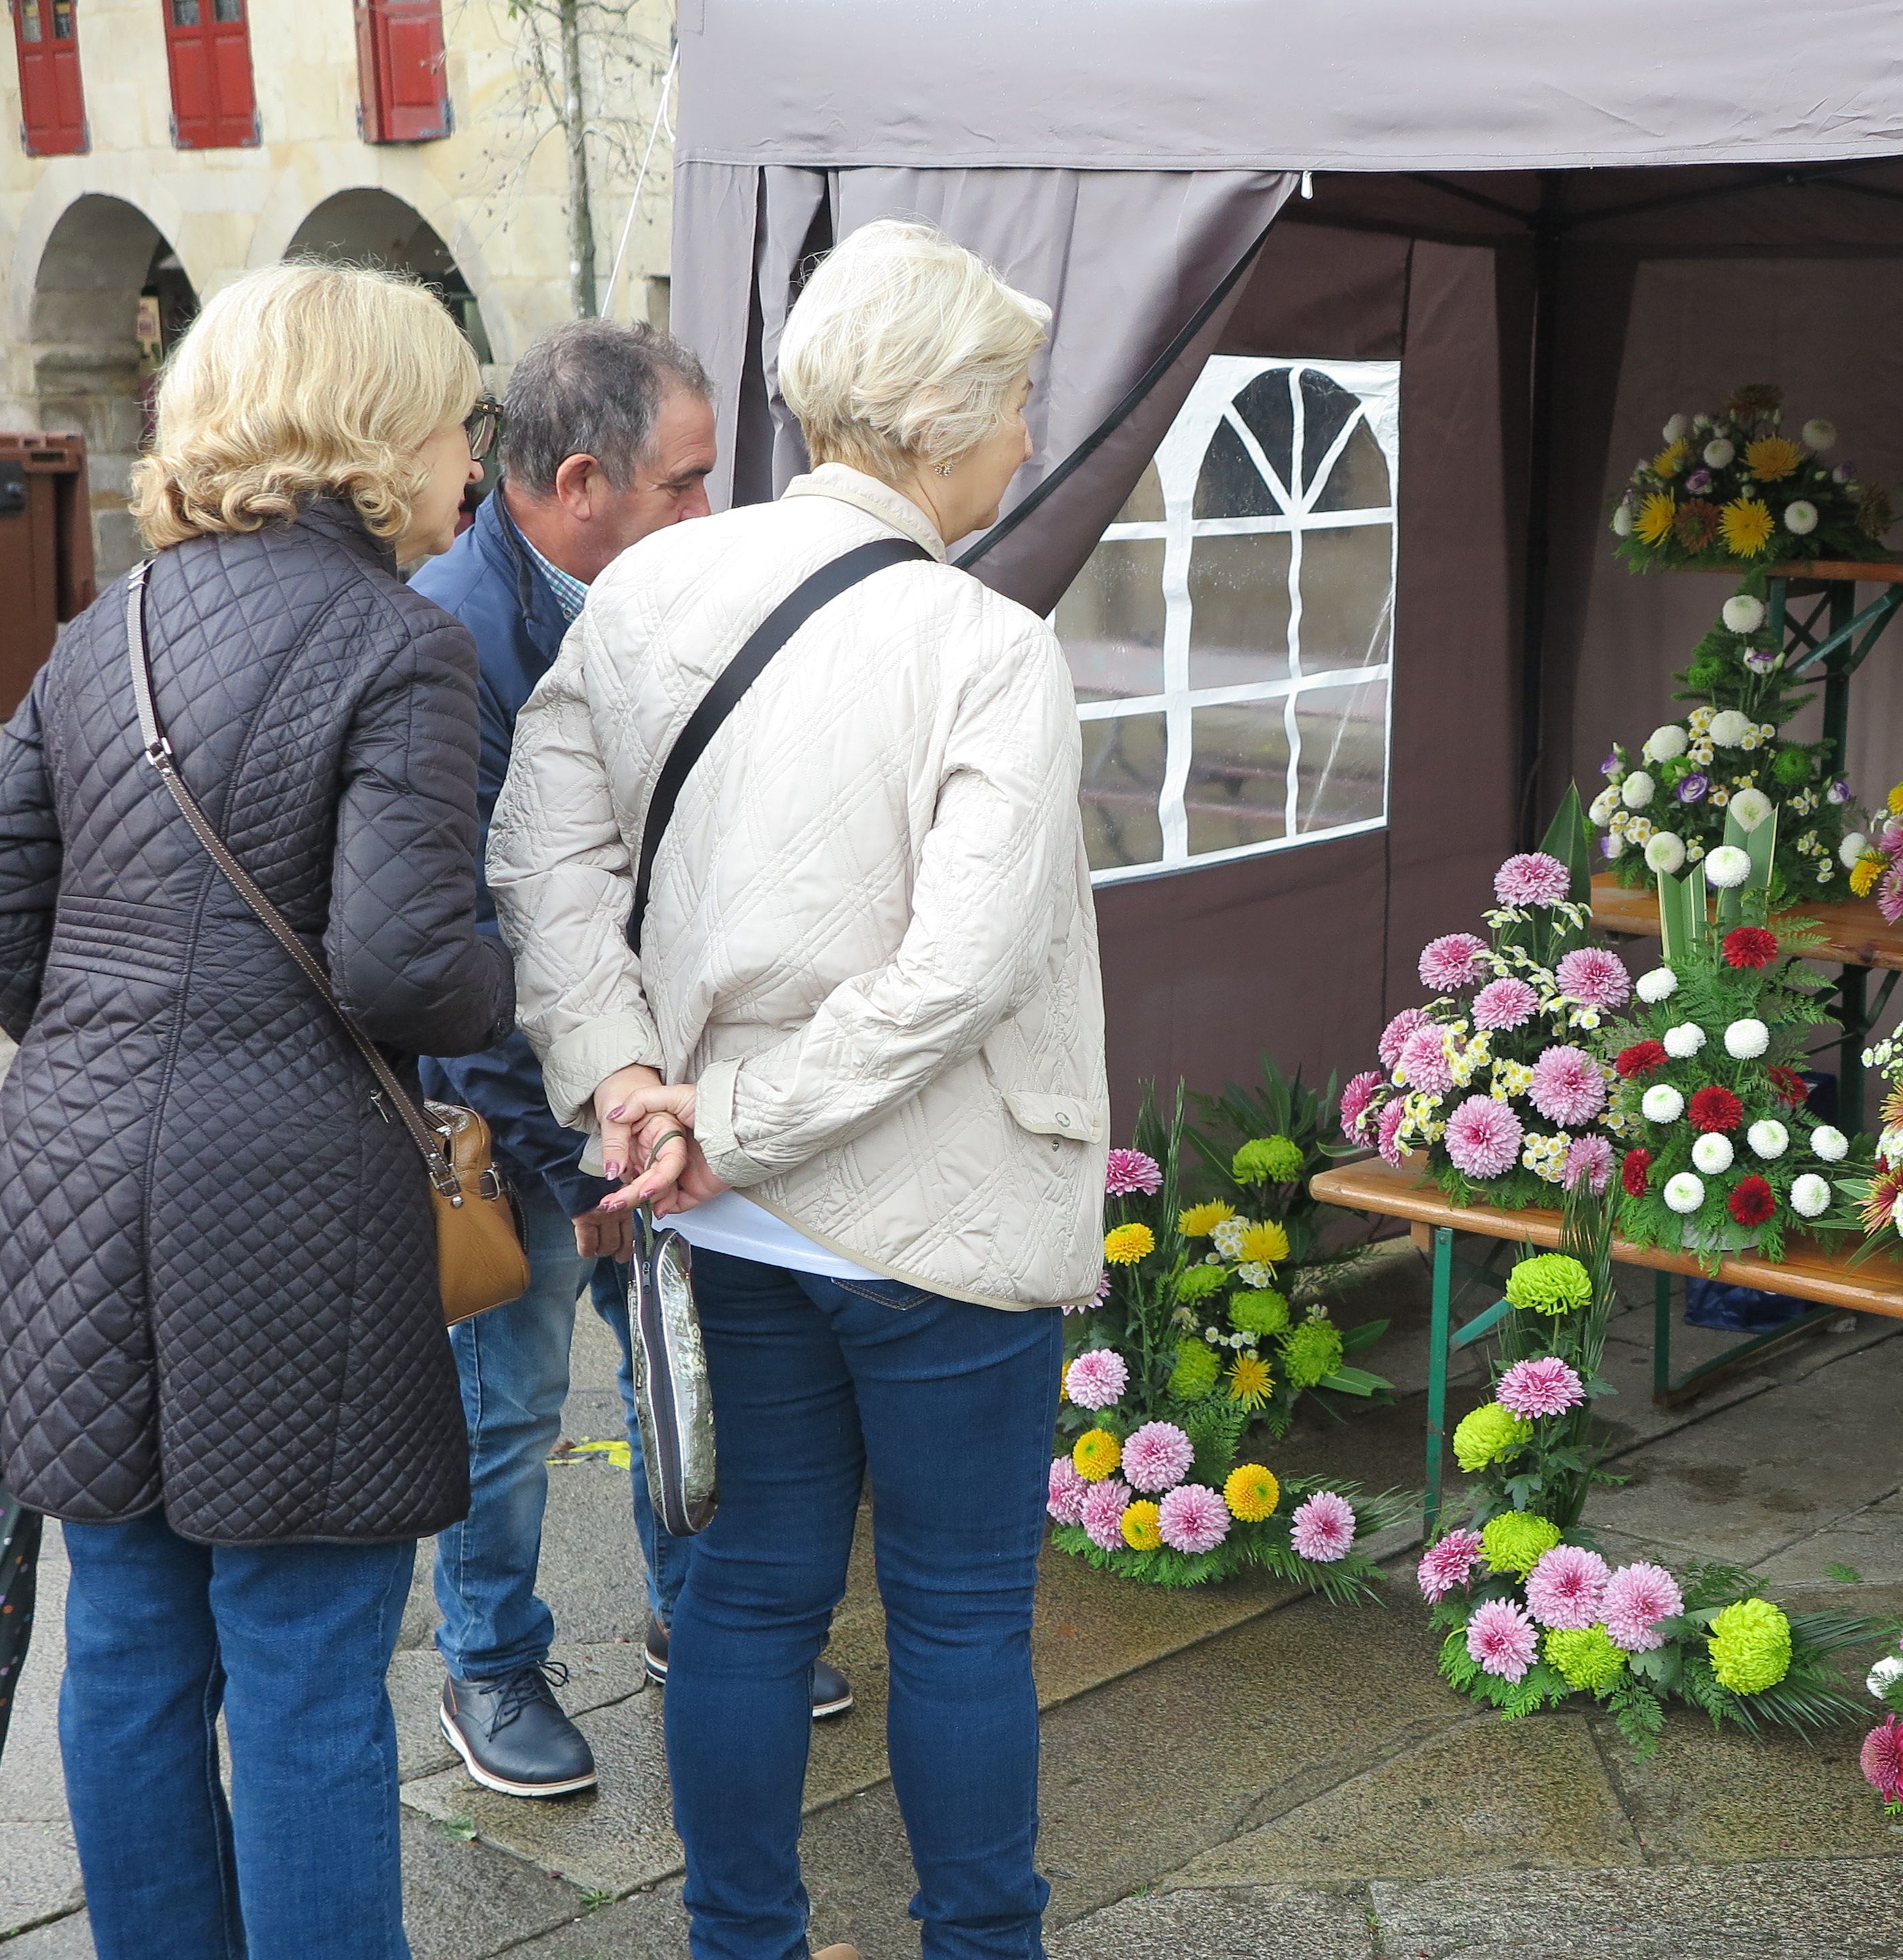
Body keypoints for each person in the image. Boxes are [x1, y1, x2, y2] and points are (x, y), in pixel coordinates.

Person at [490, 219, 1103, 1959]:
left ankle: (739, 1942)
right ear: (948, 416)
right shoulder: (988, 645)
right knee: (965, 1618)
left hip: (723, 1213)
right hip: (937, 1209)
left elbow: (542, 866)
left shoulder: (645, 594)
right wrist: (701, 1117)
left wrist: (631, 1087)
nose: (1025, 442)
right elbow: (963, 974)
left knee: (751, 1604)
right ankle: (983, 1945)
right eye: (1017, 406)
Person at [0, 263, 515, 1958]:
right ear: (371, 429)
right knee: (300, 1659)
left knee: (128, 1641)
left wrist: (101, 1052)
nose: (470, 467)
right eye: (454, 421)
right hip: (284, 1204)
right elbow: (405, 968)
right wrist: (536, 998)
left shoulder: (104, 625)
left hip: (64, 1168)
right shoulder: (402, 644)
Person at [410, 317, 851, 1801]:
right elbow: (460, 937)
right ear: (582, 480)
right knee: (510, 1401)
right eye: (685, 483)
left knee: (675, 1368)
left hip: (640, 1099)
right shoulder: (452, 637)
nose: (711, 515)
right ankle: (488, 1663)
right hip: (511, 1121)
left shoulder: (657, 591)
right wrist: (569, 1158)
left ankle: (693, 1618)